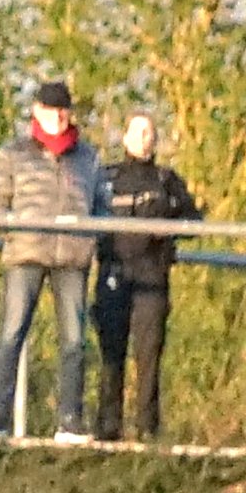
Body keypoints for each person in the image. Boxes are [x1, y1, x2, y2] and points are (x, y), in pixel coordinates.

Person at [0, 82, 110, 442]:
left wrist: (89, 232)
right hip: (26, 252)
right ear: (36, 111)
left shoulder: (88, 157)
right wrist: (14, 228)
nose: (59, 115)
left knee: (73, 340)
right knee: (12, 332)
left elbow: (101, 204)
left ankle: (70, 420)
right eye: (52, 108)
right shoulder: (14, 152)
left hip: (72, 257)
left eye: (64, 109)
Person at [91, 112, 201, 444]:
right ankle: (108, 426)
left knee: (149, 355)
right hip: (114, 275)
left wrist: (168, 223)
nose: (144, 138)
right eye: (138, 132)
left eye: (150, 132)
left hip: (153, 278)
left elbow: (194, 222)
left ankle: (148, 430)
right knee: (111, 353)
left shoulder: (167, 180)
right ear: (125, 138)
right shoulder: (105, 178)